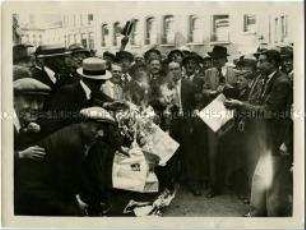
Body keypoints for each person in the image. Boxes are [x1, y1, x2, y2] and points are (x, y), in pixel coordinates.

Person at [14, 107, 120, 216]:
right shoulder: (73, 143)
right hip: (32, 187)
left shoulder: (77, 132)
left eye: (103, 130)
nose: (101, 134)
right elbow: (66, 180)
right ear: (85, 123)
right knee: (72, 212)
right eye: (97, 128)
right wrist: (75, 201)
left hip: (40, 180)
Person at [224, 49, 293, 217]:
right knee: (262, 176)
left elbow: (268, 111)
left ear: (273, 63)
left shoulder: (281, 82)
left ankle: (270, 217)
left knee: (273, 182)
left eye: (262, 61)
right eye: (259, 61)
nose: (259, 64)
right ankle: (258, 212)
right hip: (267, 137)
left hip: (276, 138)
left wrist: (240, 105)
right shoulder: (268, 79)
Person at [43, 57, 122, 134]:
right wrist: (85, 113)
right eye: (100, 81)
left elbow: (94, 100)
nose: (103, 83)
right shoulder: (68, 91)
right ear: (92, 81)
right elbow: (58, 117)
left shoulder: (90, 91)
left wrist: (107, 105)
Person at [202, 45, 237, 198]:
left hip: (229, 113)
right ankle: (214, 186)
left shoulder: (232, 72)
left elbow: (239, 90)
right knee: (212, 152)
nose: (216, 61)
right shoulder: (208, 72)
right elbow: (203, 90)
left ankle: (229, 183)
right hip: (214, 113)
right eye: (213, 59)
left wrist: (227, 89)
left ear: (225, 59)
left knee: (229, 149)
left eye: (218, 59)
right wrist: (212, 92)